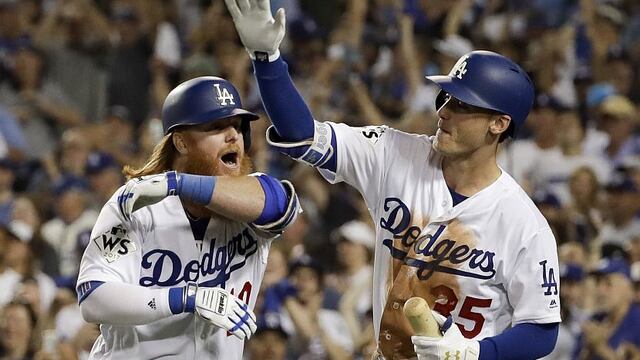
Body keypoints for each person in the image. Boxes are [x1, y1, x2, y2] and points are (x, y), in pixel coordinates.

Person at [224, 1, 561, 359]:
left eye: (463, 105)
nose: (444, 111)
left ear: (499, 124)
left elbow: (541, 330)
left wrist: (477, 353)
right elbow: (303, 136)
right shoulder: (392, 154)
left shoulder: (524, 224)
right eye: (446, 98)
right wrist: (267, 59)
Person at [75, 76, 301, 359]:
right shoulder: (138, 202)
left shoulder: (249, 199)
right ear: (181, 142)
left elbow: (281, 205)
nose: (233, 136)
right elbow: (93, 297)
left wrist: (179, 183)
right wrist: (185, 297)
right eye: (216, 127)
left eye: (238, 126)